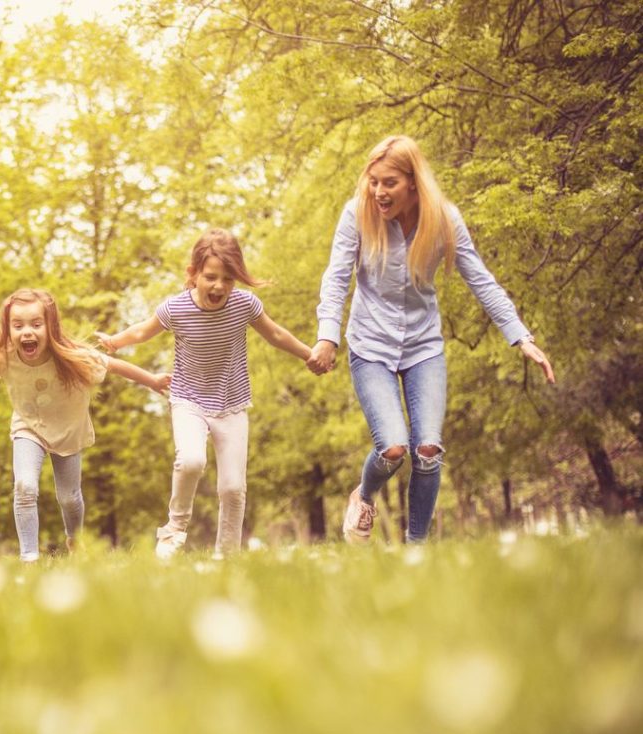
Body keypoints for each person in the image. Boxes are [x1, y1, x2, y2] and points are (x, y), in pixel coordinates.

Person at [307, 134, 555, 544]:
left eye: (389, 183)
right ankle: (364, 495)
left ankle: (416, 551)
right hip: (371, 346)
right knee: (392, 448)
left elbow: (482, 280)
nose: (378, 192)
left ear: (412, 182)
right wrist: (327, 337)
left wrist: (520, 337)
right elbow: (335, 279)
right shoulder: (357, 215)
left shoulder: (443, 219)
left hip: (423, 347)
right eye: (373, 182)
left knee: (427, 451)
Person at [98, 229, 318, 559]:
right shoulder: (176, 308)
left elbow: (275, 333)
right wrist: (115, 342)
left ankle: (226, 556)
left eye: (228, 279)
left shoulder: (245, 305)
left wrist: (308, 353)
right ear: (193, 275)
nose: (219, 286)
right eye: (210, 277)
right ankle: (174, 530)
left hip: (232, 404)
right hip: (188, 401)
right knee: (191, 460)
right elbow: (142, 330)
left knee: (232, 488)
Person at [0, 289, 171, 561]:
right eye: (18, 326)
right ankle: (28, 557)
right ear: (8, 329)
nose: (27, 332)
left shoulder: (73, 355)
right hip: (28, 428)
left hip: (68, 432)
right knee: (25, 487)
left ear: (50, 326)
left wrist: (153, 380)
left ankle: (74, 538)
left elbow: (113, 365)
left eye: (36, 324)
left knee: (69, 497)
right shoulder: (5, 356)